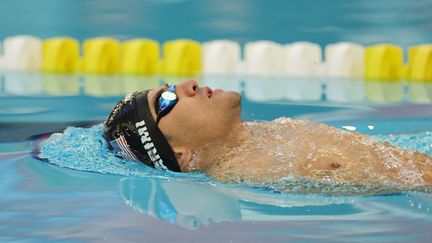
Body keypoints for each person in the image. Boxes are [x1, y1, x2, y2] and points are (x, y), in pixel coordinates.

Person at [104, 80, 432, 189]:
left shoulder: (262, 141)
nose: (187, 84)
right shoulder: (255, 170)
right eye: (165, 100)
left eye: (168, 83)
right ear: (180, 154)